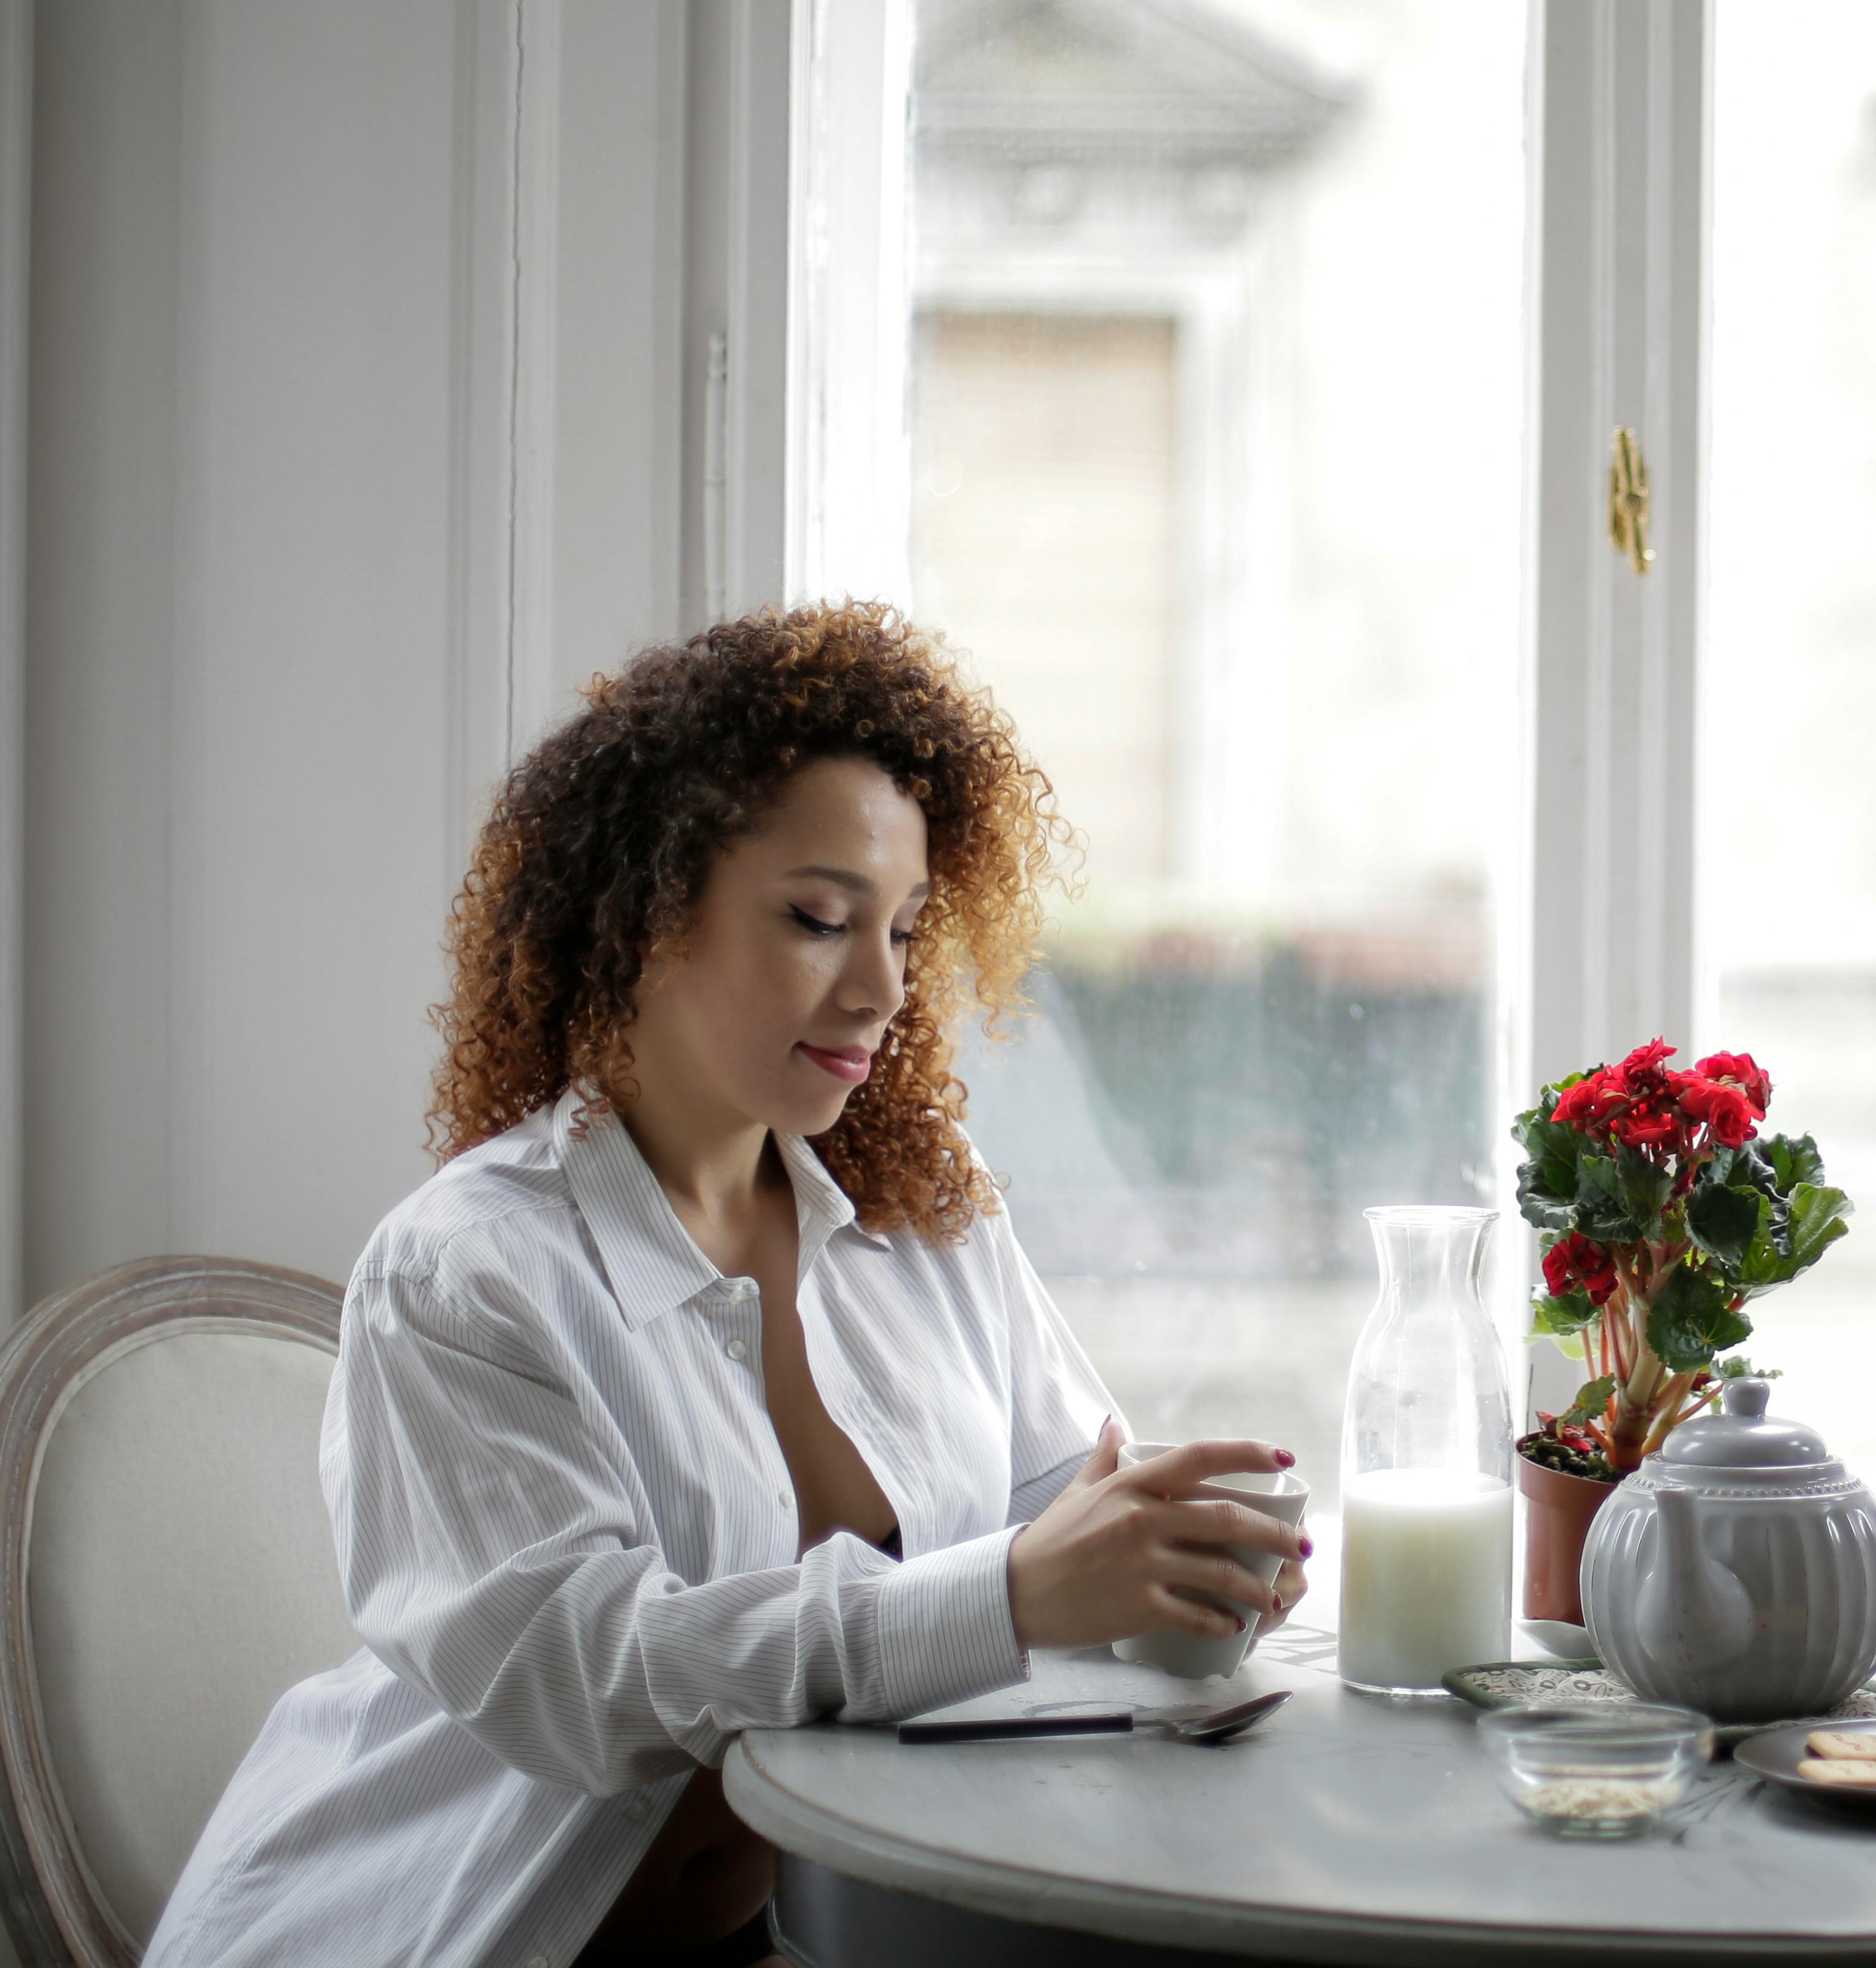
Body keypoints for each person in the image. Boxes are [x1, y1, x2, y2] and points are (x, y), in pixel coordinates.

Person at [151, 604, 1307, 1968]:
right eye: (821, 919)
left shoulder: (927, 1214)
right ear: (644, 909)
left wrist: (1186, 1555)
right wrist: (1002, 1597)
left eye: (908, 930)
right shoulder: (464, 1273)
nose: (881, 988)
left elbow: (1065, 1501)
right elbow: (588, 1679)